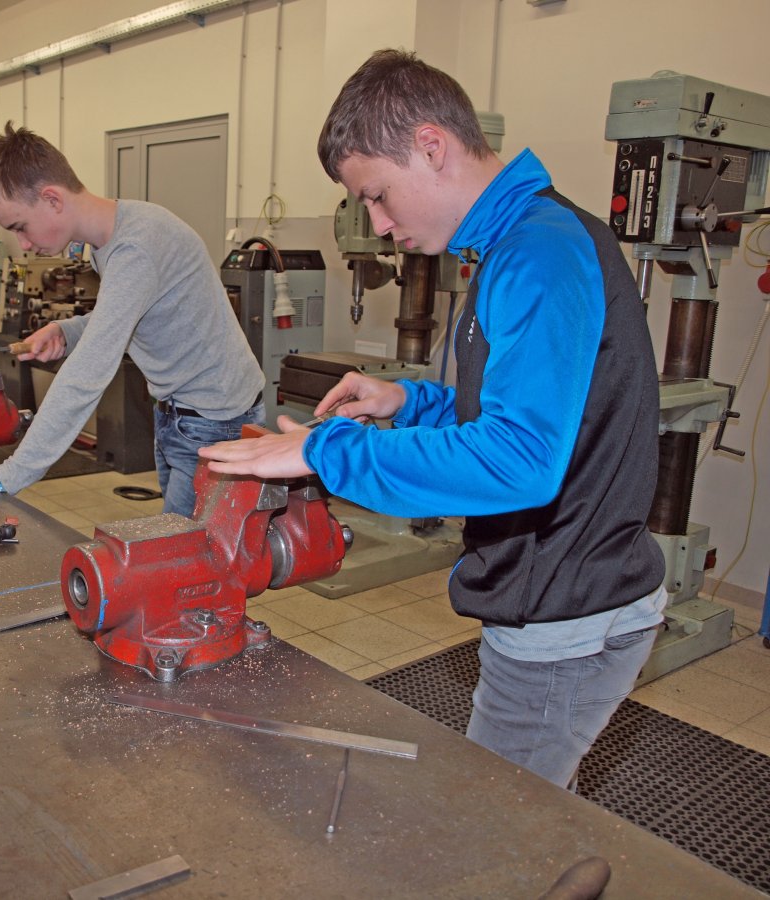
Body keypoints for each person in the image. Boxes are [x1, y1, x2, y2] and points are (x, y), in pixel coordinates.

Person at [199, 49, 667, 789]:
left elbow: (520, 461)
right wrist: (409, 402)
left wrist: (329, 453)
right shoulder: (519, 240)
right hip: (563, 589)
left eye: (378, 195)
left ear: (430, 145)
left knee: (502, 823)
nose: (381, 224)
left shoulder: (538, 252)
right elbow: (542, 417)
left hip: (564, 611)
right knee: (543, 808)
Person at [0, 123, 265, 517]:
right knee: (182, 542)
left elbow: (87, 374)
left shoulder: (135, 248)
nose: (24, 244)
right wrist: (67, 331)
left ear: (52, 198)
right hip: (180, 412)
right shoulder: (116, 234)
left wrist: (10, 473)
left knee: (187, 550)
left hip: (214, 423)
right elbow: (132, 312)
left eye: (20, 228)